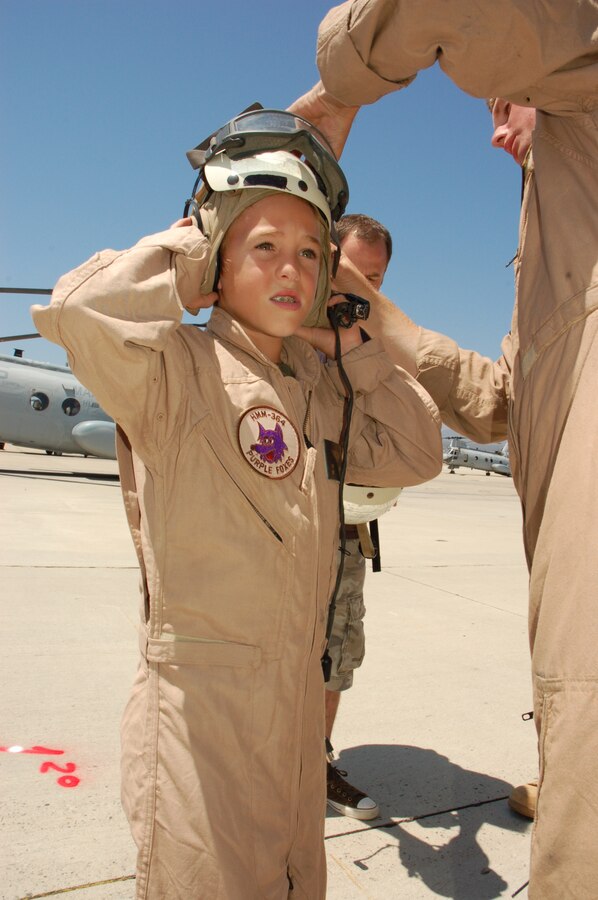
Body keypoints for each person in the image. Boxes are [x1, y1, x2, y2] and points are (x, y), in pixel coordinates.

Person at [31, 112, 442, 899]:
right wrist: (198, 251)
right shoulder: (172, 369)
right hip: (202, 726)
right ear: (217, 257)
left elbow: (417, 450)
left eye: (311, 253)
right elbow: (79, 309)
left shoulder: (319, 388)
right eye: (265, 247)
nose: (292, 268)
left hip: (294, 715)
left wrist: (352, 350)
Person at [290, 5, 598, 897]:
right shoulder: (557, 228)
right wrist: (364, 307)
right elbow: (502, 403)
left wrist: (338, 95)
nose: (498, 134)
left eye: (508, 105)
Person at [322, 213, 394, 820]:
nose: (365, 290)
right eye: (354, 273)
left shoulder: (379, 342)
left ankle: (315, 763)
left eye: (377, 280)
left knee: (336, 653)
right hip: (281, 528)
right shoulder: (283, 327)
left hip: (348, 529)